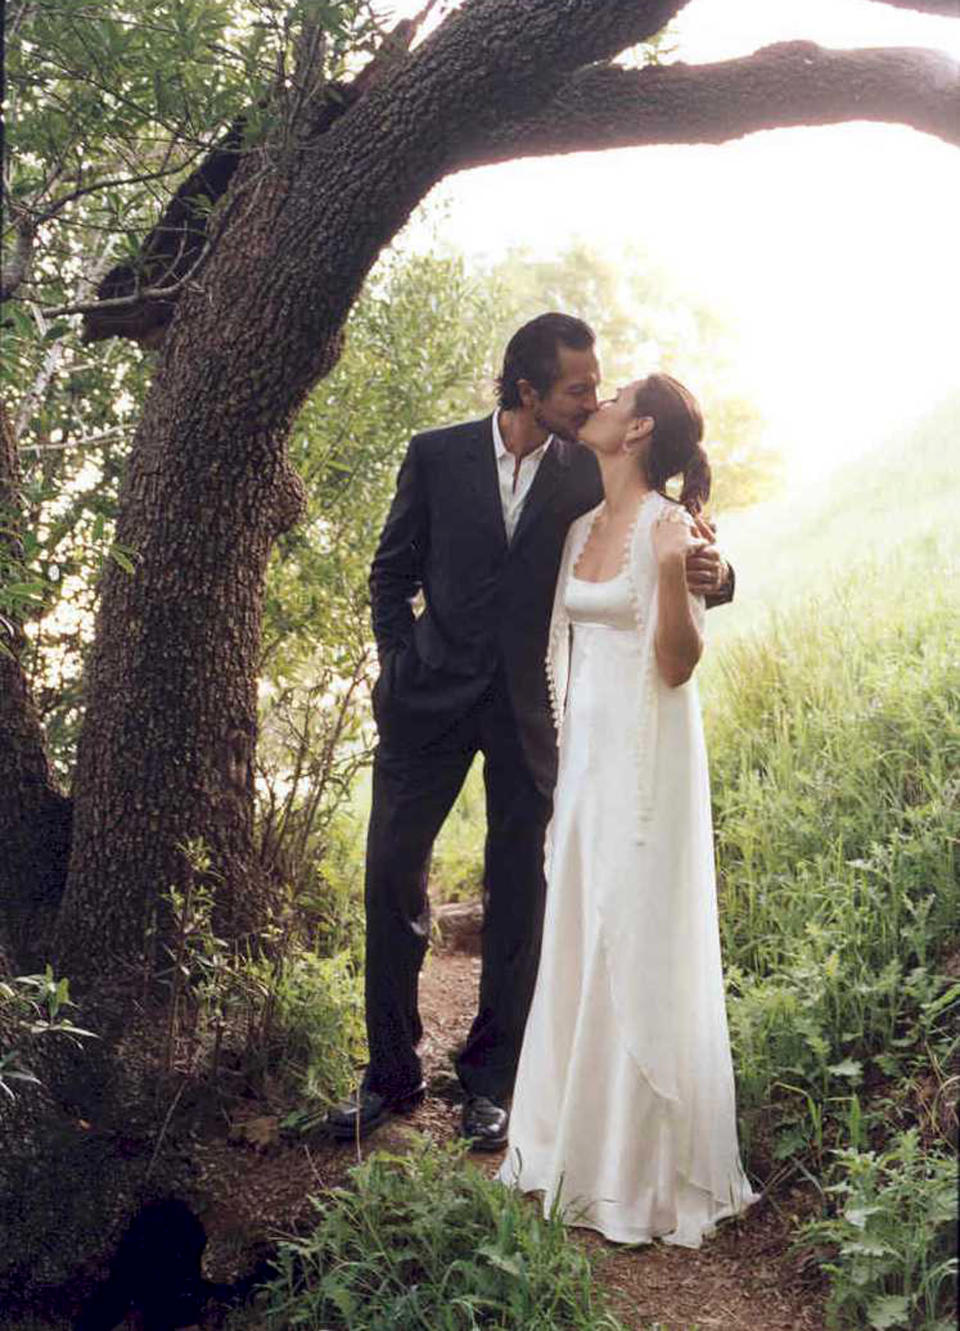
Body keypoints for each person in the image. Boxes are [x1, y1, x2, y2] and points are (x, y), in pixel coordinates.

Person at [325, 316, 734, 1150]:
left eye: (596, 388)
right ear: (527, 391)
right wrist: (399, 665)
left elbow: (664, 531)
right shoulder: (436, 455)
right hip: (425, 704)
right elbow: (390, 570)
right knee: (391, 875)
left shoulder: (591, 468)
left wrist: (721, 573)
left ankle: (491, 1084)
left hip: (527, 711)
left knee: (522, 891)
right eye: (577, 388)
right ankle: (390, 1076)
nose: (591, 399)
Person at [497, 373, 756, 1244]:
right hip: (587, 760)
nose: (597, 401)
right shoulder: (578, 524)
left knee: (634, 924)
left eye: (615, 397)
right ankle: (565, 1137)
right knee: (580, 919)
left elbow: (679, 664)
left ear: (638, 427)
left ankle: (638, 1163)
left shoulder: (668, 525)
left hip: (649, 757)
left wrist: (679, 574)